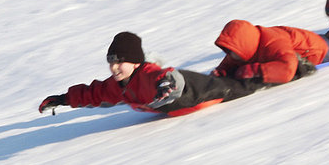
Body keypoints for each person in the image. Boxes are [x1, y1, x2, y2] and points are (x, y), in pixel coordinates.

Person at [39, 32, 260, 117]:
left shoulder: (147, 73)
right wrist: (63, 99)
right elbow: (94, 93)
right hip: (180, 103)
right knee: (234, 80)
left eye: (120, 63)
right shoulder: (118, 84)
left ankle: (285, 69)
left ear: (135, 62)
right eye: (111, 63)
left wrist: (167, 86)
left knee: (241, 85)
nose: (114, 68)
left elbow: (166, 76)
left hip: (196, 90)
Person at [211, 19, 329, 84]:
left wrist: (255, 70)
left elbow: (287, 68)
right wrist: (221, 71)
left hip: (317, 49)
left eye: (232, 50)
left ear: (245, 43)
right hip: (299, 41)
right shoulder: (246, 47)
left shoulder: (272, 42)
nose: (231, 55)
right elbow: (232, 59)